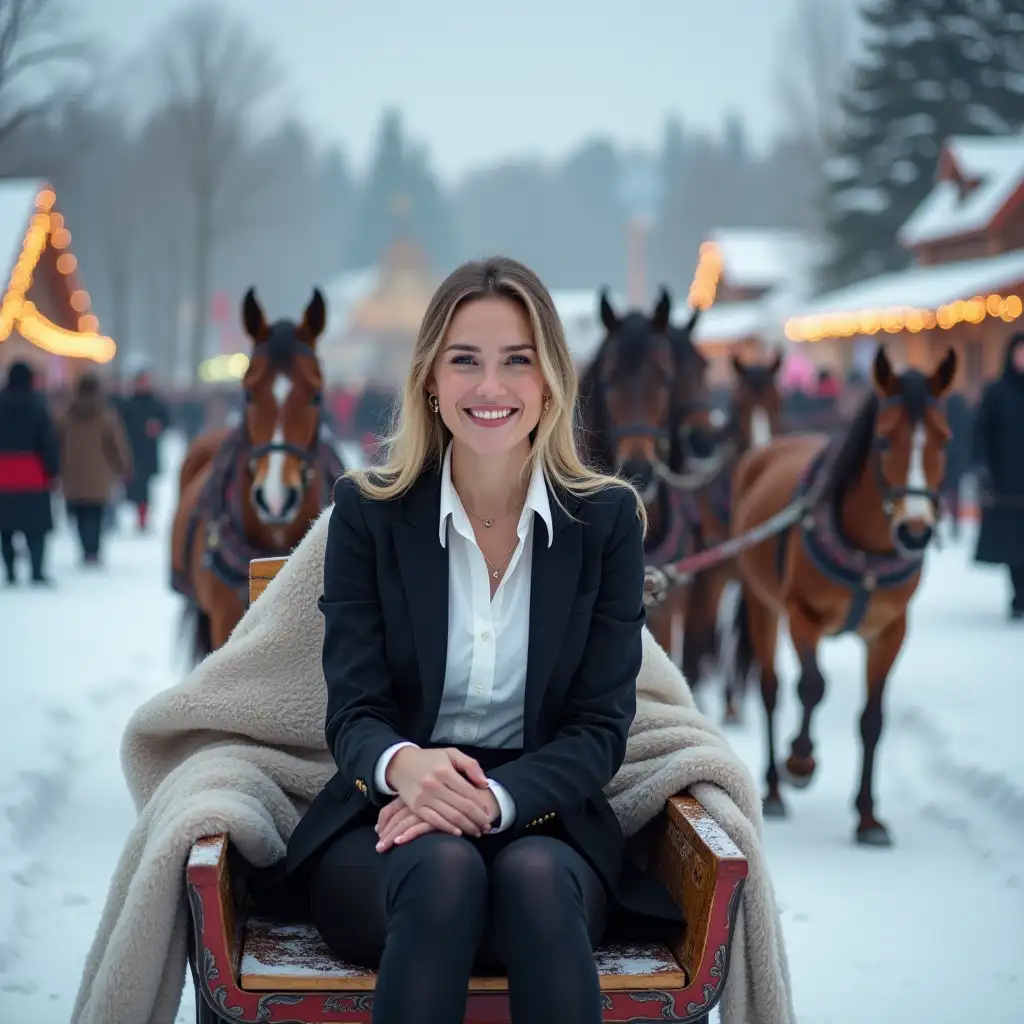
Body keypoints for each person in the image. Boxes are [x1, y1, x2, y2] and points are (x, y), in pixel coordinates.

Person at [284, 257, 679, 1024]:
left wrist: (492, 801)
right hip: (387, 825)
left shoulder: (605, 524)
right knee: (442, 871)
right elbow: (354, 711)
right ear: (430, 379)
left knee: (530, 878)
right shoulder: (368, 514)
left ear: (551, 382)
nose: (490, 388)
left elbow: (600, 729)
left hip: (547, 820)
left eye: (516, 361)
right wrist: (407, 769)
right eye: (465, 360)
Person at [56, 372, 132, 566]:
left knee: (79, 512)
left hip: (72, 471)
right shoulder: (105, 415)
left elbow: (56, 441)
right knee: (96, 513)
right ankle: (94, 551)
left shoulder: (65, 414)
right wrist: (123, 467)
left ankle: (85, 548)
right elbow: (115, 444)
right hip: (98, 472)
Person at [974, 331, 1024, 619]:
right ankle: (1018, 595)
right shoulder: (997, 391)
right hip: (1008, 482)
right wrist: (983, 466)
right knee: (1014, 546)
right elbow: (982, 431)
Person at [0, 361, 60, 584]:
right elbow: (48, 441)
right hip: (33, 473)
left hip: (3, 474)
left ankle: (10, 572)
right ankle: (36, 571)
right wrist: (53, 470)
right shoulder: (37, 405)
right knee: (36, 529)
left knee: (5, 528)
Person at [117, 360, 171, 531]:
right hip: (131, 450)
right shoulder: (127, 404)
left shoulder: (155, 402)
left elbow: (167, 420)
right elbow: (119, 426)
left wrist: (158, 426)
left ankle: (143, 518)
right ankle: (138, 515)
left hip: (148, 451)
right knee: (135, 486)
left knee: (145, 487)